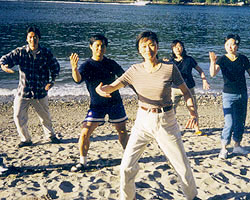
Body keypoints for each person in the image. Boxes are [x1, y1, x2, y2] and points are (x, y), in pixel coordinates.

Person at [96, 31, 199, 200]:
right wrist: (100, 90)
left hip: (166, 121)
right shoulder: (134, 70)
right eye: (143, 46)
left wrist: (193, 113)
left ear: (157, 46)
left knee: (181, 166)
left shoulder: (169, 68)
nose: (148, 49)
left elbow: (186, 93)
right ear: (139, 50)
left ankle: (192, 196)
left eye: (151, 44)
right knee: (126, 166)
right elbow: (111, 87)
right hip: (142, 121)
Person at [70, 34, 129, 172]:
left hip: (115, 102)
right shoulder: (87, 65)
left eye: (102, 46)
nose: (100, 48)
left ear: (105, 48)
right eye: (97, 45)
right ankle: (83, 162)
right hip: (97, 105)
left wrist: (112, 87)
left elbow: (125, 78)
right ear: (91, 47)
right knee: (85, 132)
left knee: (122, 131)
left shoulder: (111, 63)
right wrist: (74, 68)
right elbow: (78, 80)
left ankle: (128, 158)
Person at [0, 26, 60, 148]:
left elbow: (55, 68)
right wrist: (3, 66)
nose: (33, 40)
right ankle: (26, 139)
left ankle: (51, 136)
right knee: (18, 117)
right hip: (23, 92)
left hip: (40, 92)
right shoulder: (20, 52)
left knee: (45, 118)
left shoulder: (46, 53)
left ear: (39, 38)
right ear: (27, 39)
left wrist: (51, 82)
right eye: (30, 37)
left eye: (35, 37)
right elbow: (5, 58)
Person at [209, 34, 250, 159]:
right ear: (225, 46)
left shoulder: (243, 58)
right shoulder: (222, 59)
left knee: (240, 121)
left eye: (233, 44)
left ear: (237, 46)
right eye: (227, 44)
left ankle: (237, 145)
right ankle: (223, 148)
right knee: (229, 123)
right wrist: (212, 61)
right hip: (228, 94)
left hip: (242, 94)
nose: (230, 47)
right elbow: (212, 74)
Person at [168, 40, 210, 135]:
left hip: (189, 87)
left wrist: (204, 80)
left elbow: (200, 70)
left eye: (179, 46)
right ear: (172, 49)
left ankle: (197, 129)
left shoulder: (189, 59)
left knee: (193, 108)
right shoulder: (170, 62)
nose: (178, 49)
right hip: (175, 88)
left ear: (183, 48)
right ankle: (171, 129)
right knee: (171, 109)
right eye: (175, 47)